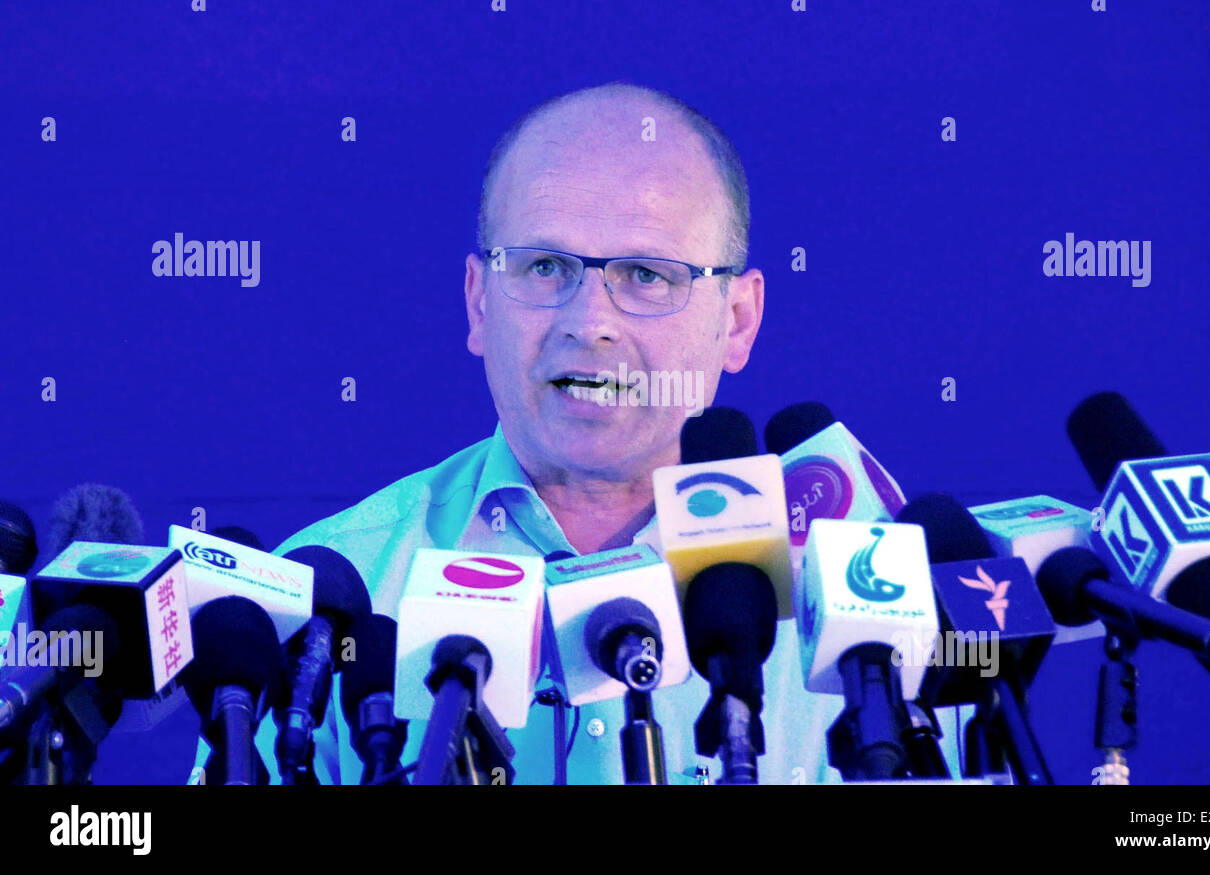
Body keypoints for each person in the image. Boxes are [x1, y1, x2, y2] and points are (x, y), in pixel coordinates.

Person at [196, 81, 898, 784]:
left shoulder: (874, 605)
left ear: (738, 320)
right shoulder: (329, 603)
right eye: (544, 266)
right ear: (478, 302)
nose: (587, 320)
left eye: (647, 275)